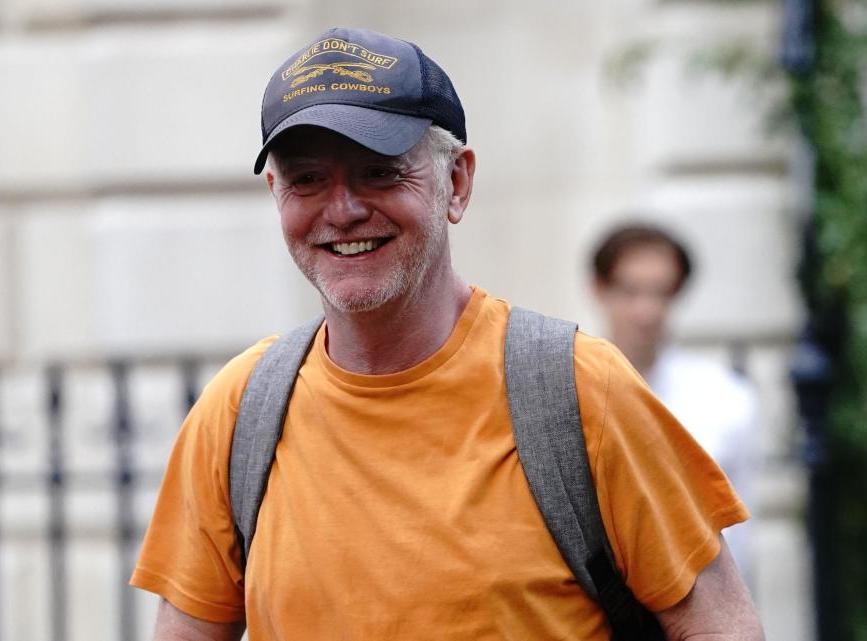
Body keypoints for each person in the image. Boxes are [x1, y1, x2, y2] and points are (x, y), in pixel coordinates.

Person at [130, 27, 764, 641]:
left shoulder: (579, 393)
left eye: (379, 172)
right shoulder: (242, 411)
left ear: (456, 183)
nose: (343, 208)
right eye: (307, 179)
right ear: (277, 194)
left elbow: (718, 626)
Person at [590, 223, 759, 585]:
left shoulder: (725, 397)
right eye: (630, 291)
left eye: (660, 292)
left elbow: (741, 532)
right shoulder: (569, 388)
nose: (645, 311)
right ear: (600, 289)